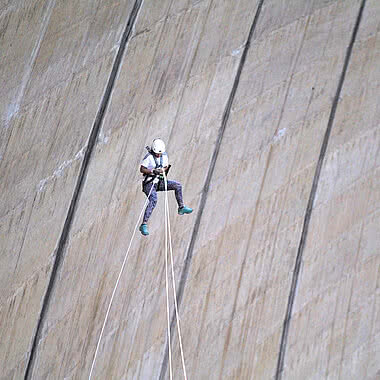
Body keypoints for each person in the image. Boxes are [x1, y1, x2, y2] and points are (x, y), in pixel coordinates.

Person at [139, 139, 193, 236]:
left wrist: (162, 170)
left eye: (159, 154)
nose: (158, 155)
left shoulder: (164, 156)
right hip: (149, 184)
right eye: (157, 154)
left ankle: (181, 207)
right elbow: (142, 169)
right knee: (153, 199)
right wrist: (152, 171)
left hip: (160, 182)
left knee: (177, 186)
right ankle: (144, 224)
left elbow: (166, 166)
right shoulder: (149, 157)